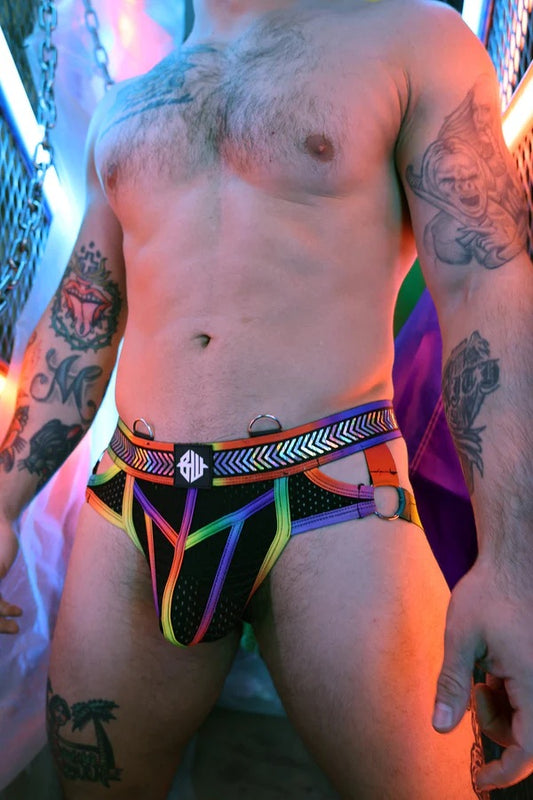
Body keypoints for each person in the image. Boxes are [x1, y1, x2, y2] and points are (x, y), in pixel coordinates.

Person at [1, 0, 532, 796]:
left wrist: (514, 563)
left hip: (333, 494)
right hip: (134, 501)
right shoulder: (127, 104)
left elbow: (483, 283)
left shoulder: (413, 38)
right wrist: (3, 500)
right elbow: (87, 313)